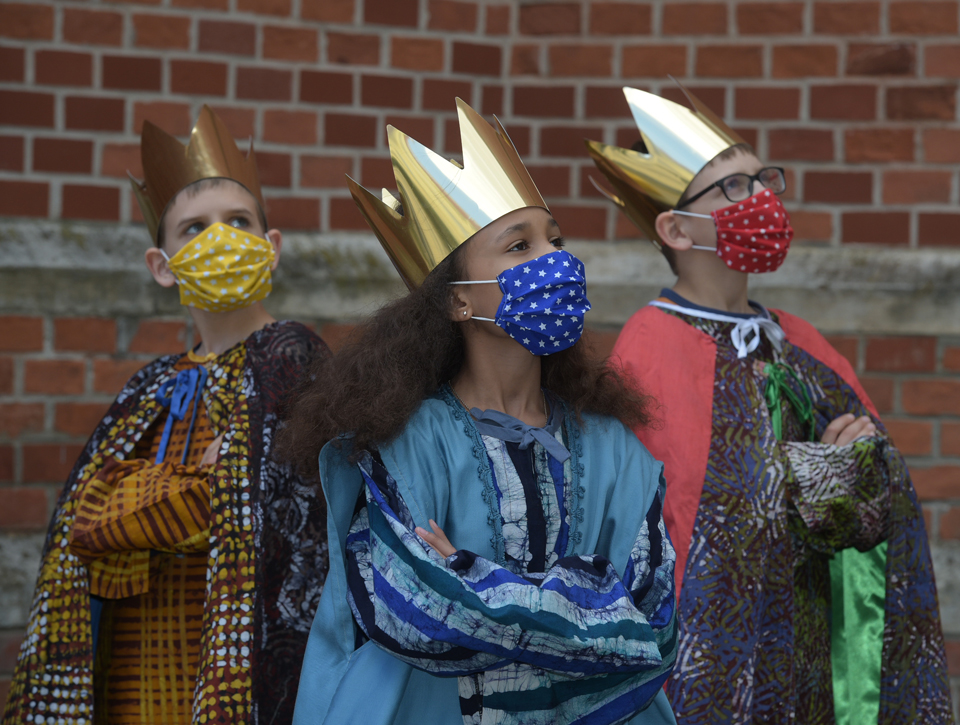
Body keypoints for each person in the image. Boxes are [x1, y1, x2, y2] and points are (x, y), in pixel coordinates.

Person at [280, 99, 678, 725]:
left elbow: (652, 621)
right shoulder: (406, 441)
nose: (554, 260)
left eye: (555, 239)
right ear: (460, 303)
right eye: (518, 246)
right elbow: (413, 608)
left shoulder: (612, 447)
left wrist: (471, 577)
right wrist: (589, 597)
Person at [586, 83, 953, 725]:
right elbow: (681, 511)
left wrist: (843, 477)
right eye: (732, 188)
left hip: (810, 655)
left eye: (763, 180)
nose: (760, 199)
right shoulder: (650, 347)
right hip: (704, 666)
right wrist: (817, 471)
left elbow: (880, 491)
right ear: (674, 228)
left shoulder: (801, 342)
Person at [3, 106, 329, 725]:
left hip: (236, 667)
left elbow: (286, 515)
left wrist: (157, 503)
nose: (220, 238)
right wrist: (198, 490)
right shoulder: (152, 384)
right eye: (195, 229)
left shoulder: (293, 359)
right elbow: (88, 521)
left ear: (271, 247)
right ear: (162, 265)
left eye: (238, 221)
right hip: (135, 674)